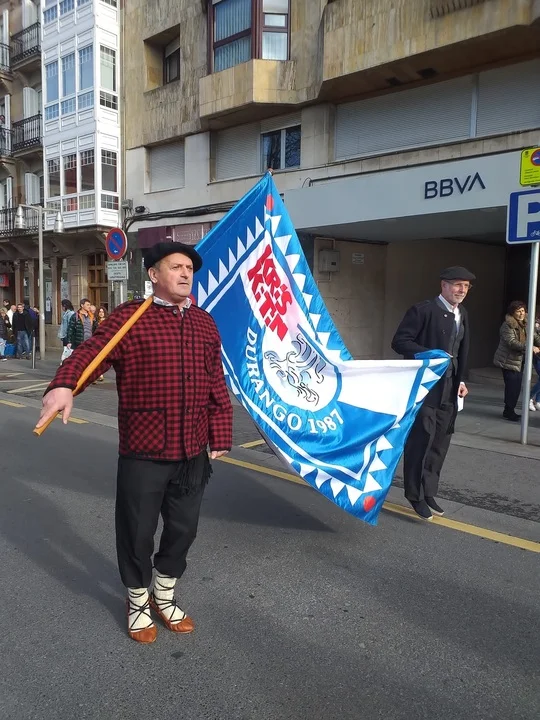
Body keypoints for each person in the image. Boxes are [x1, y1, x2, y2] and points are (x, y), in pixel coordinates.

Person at [37, 242, 233, 644]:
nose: (185, 273)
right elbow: (92, 354)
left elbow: (216, 381)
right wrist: (64, 385)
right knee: (137, 532)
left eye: (189, 268)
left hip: (192, 450)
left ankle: (164, 594)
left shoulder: (204, 323)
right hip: (145, 448)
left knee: (184, 530)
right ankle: (138, 600)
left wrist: (221, 431)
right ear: (153, 275)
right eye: (175, 267)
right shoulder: (130, 318)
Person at [391, 266, 475, 521]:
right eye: (457, 285)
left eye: (466, 286)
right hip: (426, 388)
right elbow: (400, 342)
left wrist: (461, 380)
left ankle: (429, 491)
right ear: (444, 285)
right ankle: (414, 495)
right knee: (422, 440)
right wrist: (427, 354)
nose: (462, 290)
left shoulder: (462, 313)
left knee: (440, 442)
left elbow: (461, 351)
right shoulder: (423, 310)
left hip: (450, 389)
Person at [492, 301, 540, 421]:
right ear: (512, 313)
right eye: (518, 311)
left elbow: (534, 336)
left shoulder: (527, 323)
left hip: (520, 360)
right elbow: (512, 342)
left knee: (516, 387)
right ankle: (509, 411)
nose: (521, 313)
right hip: (508, 360)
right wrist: (530, 347)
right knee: (512, 387)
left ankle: (509, 410)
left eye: (523, 311)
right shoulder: (507, 325)